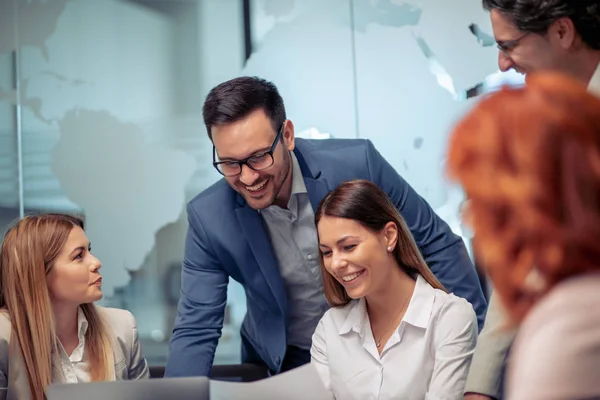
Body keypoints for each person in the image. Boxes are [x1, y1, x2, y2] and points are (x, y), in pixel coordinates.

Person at [165, 76, 487, 377]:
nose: (248, 177)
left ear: (287, 136)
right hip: (286, 362)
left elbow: (435, 244)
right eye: (230, 163)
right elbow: (197, 327)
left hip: (382, 345)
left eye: (260, 157)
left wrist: (476, 350)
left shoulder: (358, 165)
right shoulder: (209, 218)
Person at [465, 1, 600, 398]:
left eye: (510, 46)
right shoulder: (547, 119)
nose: (503, 64)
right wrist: (480, 386)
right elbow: (528, 259)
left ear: (561, 32)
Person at [311, 179, 477, 400]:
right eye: (327, 252)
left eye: (348, 247)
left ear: (389, 236)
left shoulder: (450, 318)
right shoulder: (329, 329)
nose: (335, 264)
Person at [0, 214, 149, 400]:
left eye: (89, 251)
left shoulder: (122, 327)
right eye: (79, 256)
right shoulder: (4, 335)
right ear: (40, 273)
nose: (96, 263)